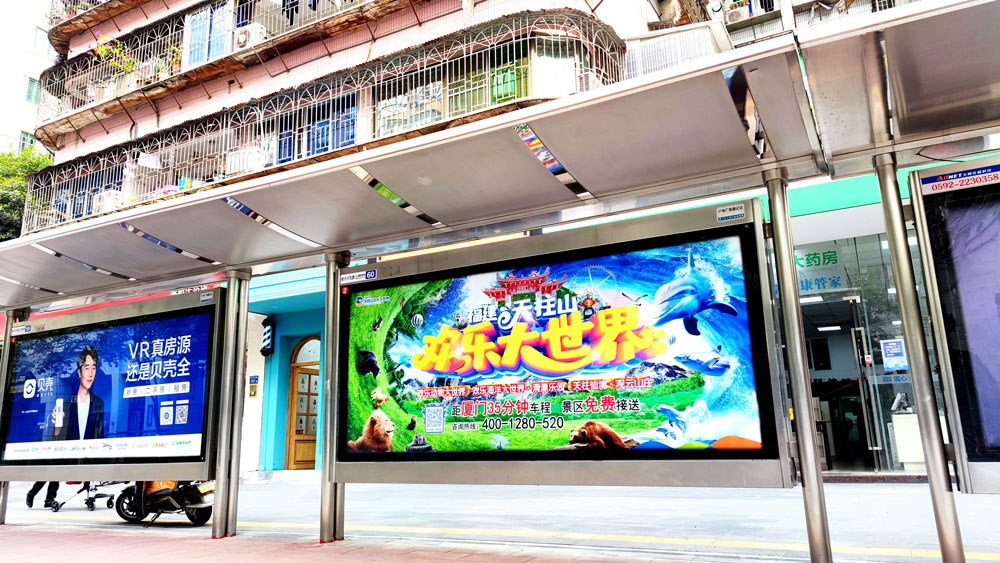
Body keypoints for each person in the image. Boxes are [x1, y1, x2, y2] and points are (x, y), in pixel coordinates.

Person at [51, 346, 105, 440]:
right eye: (87, 368)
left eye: (93, 368)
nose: (90, 374)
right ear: (79, 372)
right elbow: (57, 440)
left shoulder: (98, 402)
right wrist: (57, 428)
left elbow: (100, 435)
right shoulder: (66, 405)